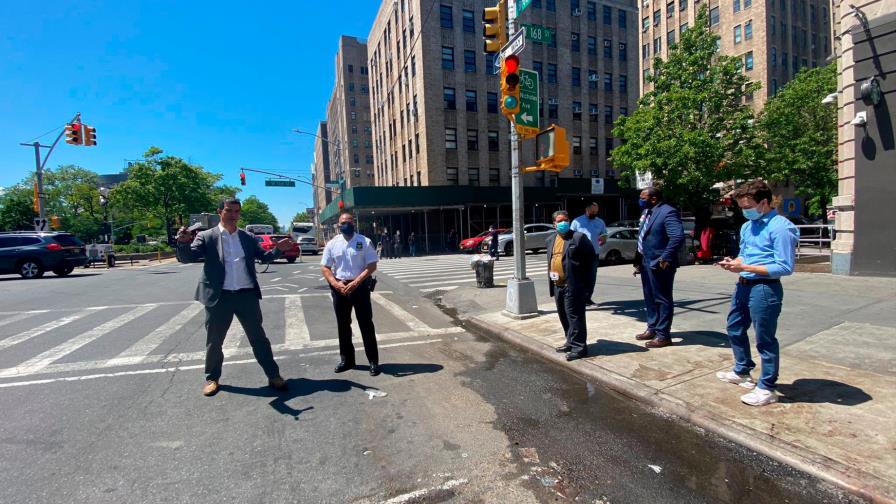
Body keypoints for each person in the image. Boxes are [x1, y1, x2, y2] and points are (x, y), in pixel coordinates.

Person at [175, 198, 292, 396]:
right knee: (214, 341)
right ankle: (212, 378)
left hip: (246, 296)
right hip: (219, 297)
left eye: (237, 211)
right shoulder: (207, 236)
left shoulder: (247, 237)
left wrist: (278, 249)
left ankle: (274, 375)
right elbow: (187, 258)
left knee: (259, 339)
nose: (233, 215)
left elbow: (263, 257)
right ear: (219, 211)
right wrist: (183, 242)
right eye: (229, 211)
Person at [716, 180, 798, 407]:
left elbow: (784, 267)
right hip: (743, 284)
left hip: (764, 287)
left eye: (747, 206)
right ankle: (742, 370)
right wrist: (734, 263)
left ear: (764, 202)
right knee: (734, 327)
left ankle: (767, 387)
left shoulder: (781, 227)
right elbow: (746, 255)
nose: (744, 211)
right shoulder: (747, 227)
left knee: (765, 338)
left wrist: (745, 268)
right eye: (741, 207)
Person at [321, 211, 381, 376]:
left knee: (366, 324)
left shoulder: (364, 241)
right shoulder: (333, 244)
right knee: (343, 325)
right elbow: (325, 267)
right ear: (338, 225)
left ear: (353, 223)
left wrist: (356, 282)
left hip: (359, 287)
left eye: (349, 221)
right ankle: (347, 360)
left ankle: (373, 362)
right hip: (339, 287)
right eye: (343, 222)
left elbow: (372, 265)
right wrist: (335, 283)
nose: (346, 224)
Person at [633, 187, 684, 349]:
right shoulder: (648, 212)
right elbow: (643, 238)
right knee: (649, 297)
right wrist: (638, 261)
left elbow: (677, 236)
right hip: (646, 262)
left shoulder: (668, 212)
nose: (640, 200)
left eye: (643, 197)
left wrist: (665, 257)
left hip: (660, 263)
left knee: (662, 299)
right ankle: (652, 327)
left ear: (653, 199)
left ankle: (663, 335)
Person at [546, 210, 597, 361]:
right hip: (557, 285)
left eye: (566, 220)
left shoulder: (578, 237)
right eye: (560, 221)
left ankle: (579, 347)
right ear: (554, 224)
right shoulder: (550, 240)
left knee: (575, 317)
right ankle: (570, 341)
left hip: (574, 285)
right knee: (563, 316)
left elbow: (591, 262)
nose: (564, 223)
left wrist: (587, 287)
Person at [570, 202, 608, 306]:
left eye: (596, 211)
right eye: (592, 211)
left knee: (591, 278)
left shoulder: (600, 222)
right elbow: (571, 237)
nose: (594, 213)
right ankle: (578, 298)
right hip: (580, 255)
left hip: (593, 254)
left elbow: (604, 234)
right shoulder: (577, 222)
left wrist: (604, 239)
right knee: (579, 278)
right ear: (587, 209)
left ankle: (587, 298)